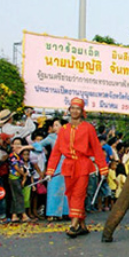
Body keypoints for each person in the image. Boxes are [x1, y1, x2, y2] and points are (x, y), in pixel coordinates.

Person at [45, 98, 108, 237]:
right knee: (70, 194)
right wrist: (50, 170)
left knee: (79, 194)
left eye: (77, 108)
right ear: (69, 110)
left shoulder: (88, 128)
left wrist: (103, 168)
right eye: (72, 108)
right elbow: (56, 152)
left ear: (82, 111)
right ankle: (82, 225)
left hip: (83, 165)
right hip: (68, 165)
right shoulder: (63, 130)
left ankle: (73, 225)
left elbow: (97, 149)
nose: (74, 111)